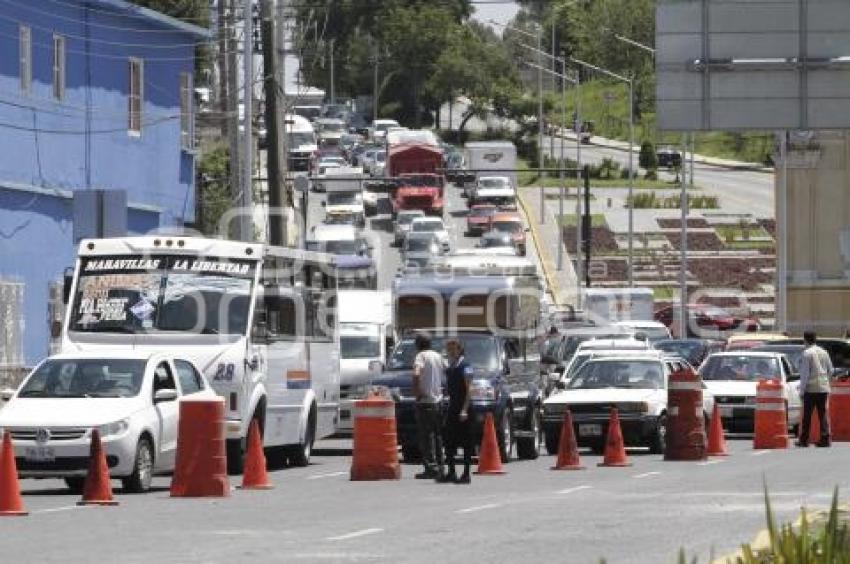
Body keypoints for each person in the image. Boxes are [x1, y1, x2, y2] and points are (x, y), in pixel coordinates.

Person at [438, 339, 474, 484]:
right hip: (453, 406)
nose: (451, 352)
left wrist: (464, 410)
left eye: (453, 349)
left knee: (466, 442)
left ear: (460, 350)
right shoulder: (451, 367)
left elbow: (469, 389)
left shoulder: (466, 366)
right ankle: (451, 472)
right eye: (449, 350)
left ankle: (466, 474)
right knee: (448, 439)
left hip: (463, 408)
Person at [412, 333, 445, 479]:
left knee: (426, 436)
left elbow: (416, 373)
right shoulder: (438, 356)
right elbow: (447, 370)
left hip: (425, 401)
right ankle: (441, 465)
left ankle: (431, 467)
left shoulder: (421, 356)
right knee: (437, 435)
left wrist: (417, 391)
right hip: (438, 401)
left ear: (418, 344)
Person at [797, 330, 834, 447]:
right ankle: (825, 439)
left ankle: (804, 440)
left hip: (811, 389)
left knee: (807, 415)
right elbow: (831, 370)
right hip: (823, 388)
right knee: (822, 414)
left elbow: (805, 374)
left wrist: (801, 391)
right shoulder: (824, 352)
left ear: (805, 340)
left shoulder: (807, 353)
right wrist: (827, 382)